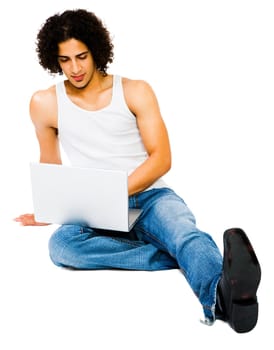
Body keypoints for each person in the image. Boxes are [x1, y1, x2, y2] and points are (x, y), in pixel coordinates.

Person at [15, 9, 261, 333]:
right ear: (53, 60)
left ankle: (223, 297)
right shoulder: (44, 103)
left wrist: (117, 192)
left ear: (96, 50)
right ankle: (184, 257)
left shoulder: (134, 91)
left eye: (81, 56)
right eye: (64, 60)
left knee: (183, 233)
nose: (74, 68)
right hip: (94, 207)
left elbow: (161, 159)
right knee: (61, 247)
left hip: (151, 196)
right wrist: (49, 208)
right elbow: (51, 165)